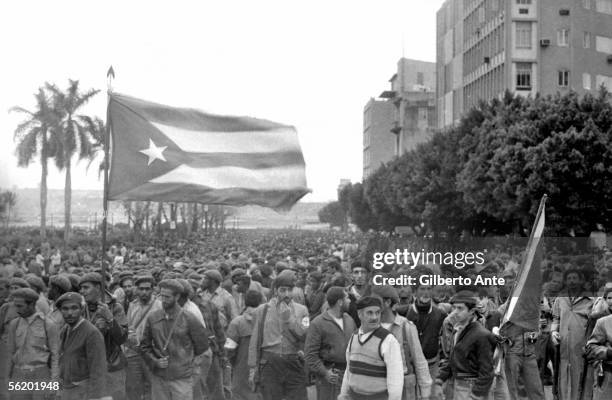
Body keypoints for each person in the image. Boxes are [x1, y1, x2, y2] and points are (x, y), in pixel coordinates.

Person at [140, 279, 209, 400]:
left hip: (182, 379)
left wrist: (184, 360)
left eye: (167, 297)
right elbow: (144, 346)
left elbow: (202, 346)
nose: (163, 300)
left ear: (177, 297)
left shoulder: (189, 318)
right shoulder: (153, 317)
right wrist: (155, 361)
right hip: (159, 377)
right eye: (162, 296)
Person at [248, 269, 310, 400]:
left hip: (293, 361)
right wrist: (253, 369)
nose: (286, 294)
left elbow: (304, 336)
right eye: (282, 290)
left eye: (289, 290)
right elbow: (255, 341)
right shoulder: (261, 310)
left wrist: (289, 319)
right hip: (269, 363)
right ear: (276, 290)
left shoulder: (302, 310)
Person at [371, 285, 432, 400]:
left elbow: (419, 361)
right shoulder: (370, 327)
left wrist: (425, 393)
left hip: (403, 387)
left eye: (375, 301)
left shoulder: (405, 326)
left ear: (387, 302)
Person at [338, 296, 404, 400]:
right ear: (360, 314)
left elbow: (396, 380)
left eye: (377, 312)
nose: (374, 317)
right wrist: (343, 395)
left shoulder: (388, 340)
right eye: (369, 313)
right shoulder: (354, 337)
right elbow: (349, 370)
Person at [434, 290, 495, 400]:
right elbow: (452, 358)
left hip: (471, 386)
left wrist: (476, 395)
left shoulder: (481, 335)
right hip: (458, 384)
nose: (455, 312)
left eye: (460, 308)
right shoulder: (457, 330)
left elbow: (487, 371)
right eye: (454, 308)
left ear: (471, 311)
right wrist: (439, 380)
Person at [79, 272, 129, 400]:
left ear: (98, 288)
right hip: (88, 369)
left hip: (111, 368)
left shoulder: (115, 308)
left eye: (86, 287)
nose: (82, 291)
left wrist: (110, 318)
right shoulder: (81, 310)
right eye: (81, 288)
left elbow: (122, 338)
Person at [6, 288, 59, 400]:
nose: (16, 309)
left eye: (20, 306)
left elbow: (56, 355)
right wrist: (7, 380)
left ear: (32, 305)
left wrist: (54, 384)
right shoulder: (14, 324)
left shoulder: (48, 324)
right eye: (15, 305)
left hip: (41, 373)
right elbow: (10, 353)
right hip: (18, 373)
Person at [304, 286, 356, 400]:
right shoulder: (318, 323)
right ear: (340, 302)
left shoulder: (349, 320)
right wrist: (325, 373)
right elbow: (310, 355)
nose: (350, 301)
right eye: (347, 298)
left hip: (348, 376)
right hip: (329, 378)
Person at [551, 269, 594, 400]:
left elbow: (594, 325)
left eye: (575, 278)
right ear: (565, 281)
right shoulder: (560, 299)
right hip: (563, 348)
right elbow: (555, 319)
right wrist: (553, 332)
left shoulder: (591, 300)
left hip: (581, 348)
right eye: (569, 278)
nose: (572, 281)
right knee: (562, 378)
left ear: (581, 281)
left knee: (580, 379)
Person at [56, 292, 108, 400]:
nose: (69, 313)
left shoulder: (91, 333)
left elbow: (98, 371)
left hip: (82, 392)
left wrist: (95, 397)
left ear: (82, 309)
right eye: (65, 309)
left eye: (74, 308)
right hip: (66, 389)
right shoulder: (65, 330)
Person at [124, 275, 162, 400]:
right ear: (137, 290)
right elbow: (129, 326)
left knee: (152, 387)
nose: (144, 292)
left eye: (147, 289)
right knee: (133, 387)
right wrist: (130, 335)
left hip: (151, 353)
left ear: (153, 290)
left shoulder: (159, 306)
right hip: (134, 352)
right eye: (141, 289)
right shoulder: (132, 305)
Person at [225, 290, 264, 400]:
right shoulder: (268, 321)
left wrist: (234, 363)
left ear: (244, 303)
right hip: (263, 367)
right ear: (261, 302)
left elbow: (229, 350)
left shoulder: (237, 323)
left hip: (241, 368)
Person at [405, 282, 447, 382]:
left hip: (432, 366)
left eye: (429, 289)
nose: (426, 293)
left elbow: (446, 340)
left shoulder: (440, 314)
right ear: (415, 292)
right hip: (411, 366)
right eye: (422, 289)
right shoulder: (406, 313)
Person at [584, 286, 612, 400]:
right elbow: (589, 347)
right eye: (610, 298)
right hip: (608, 373)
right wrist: (607, 353)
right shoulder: (602, 321)